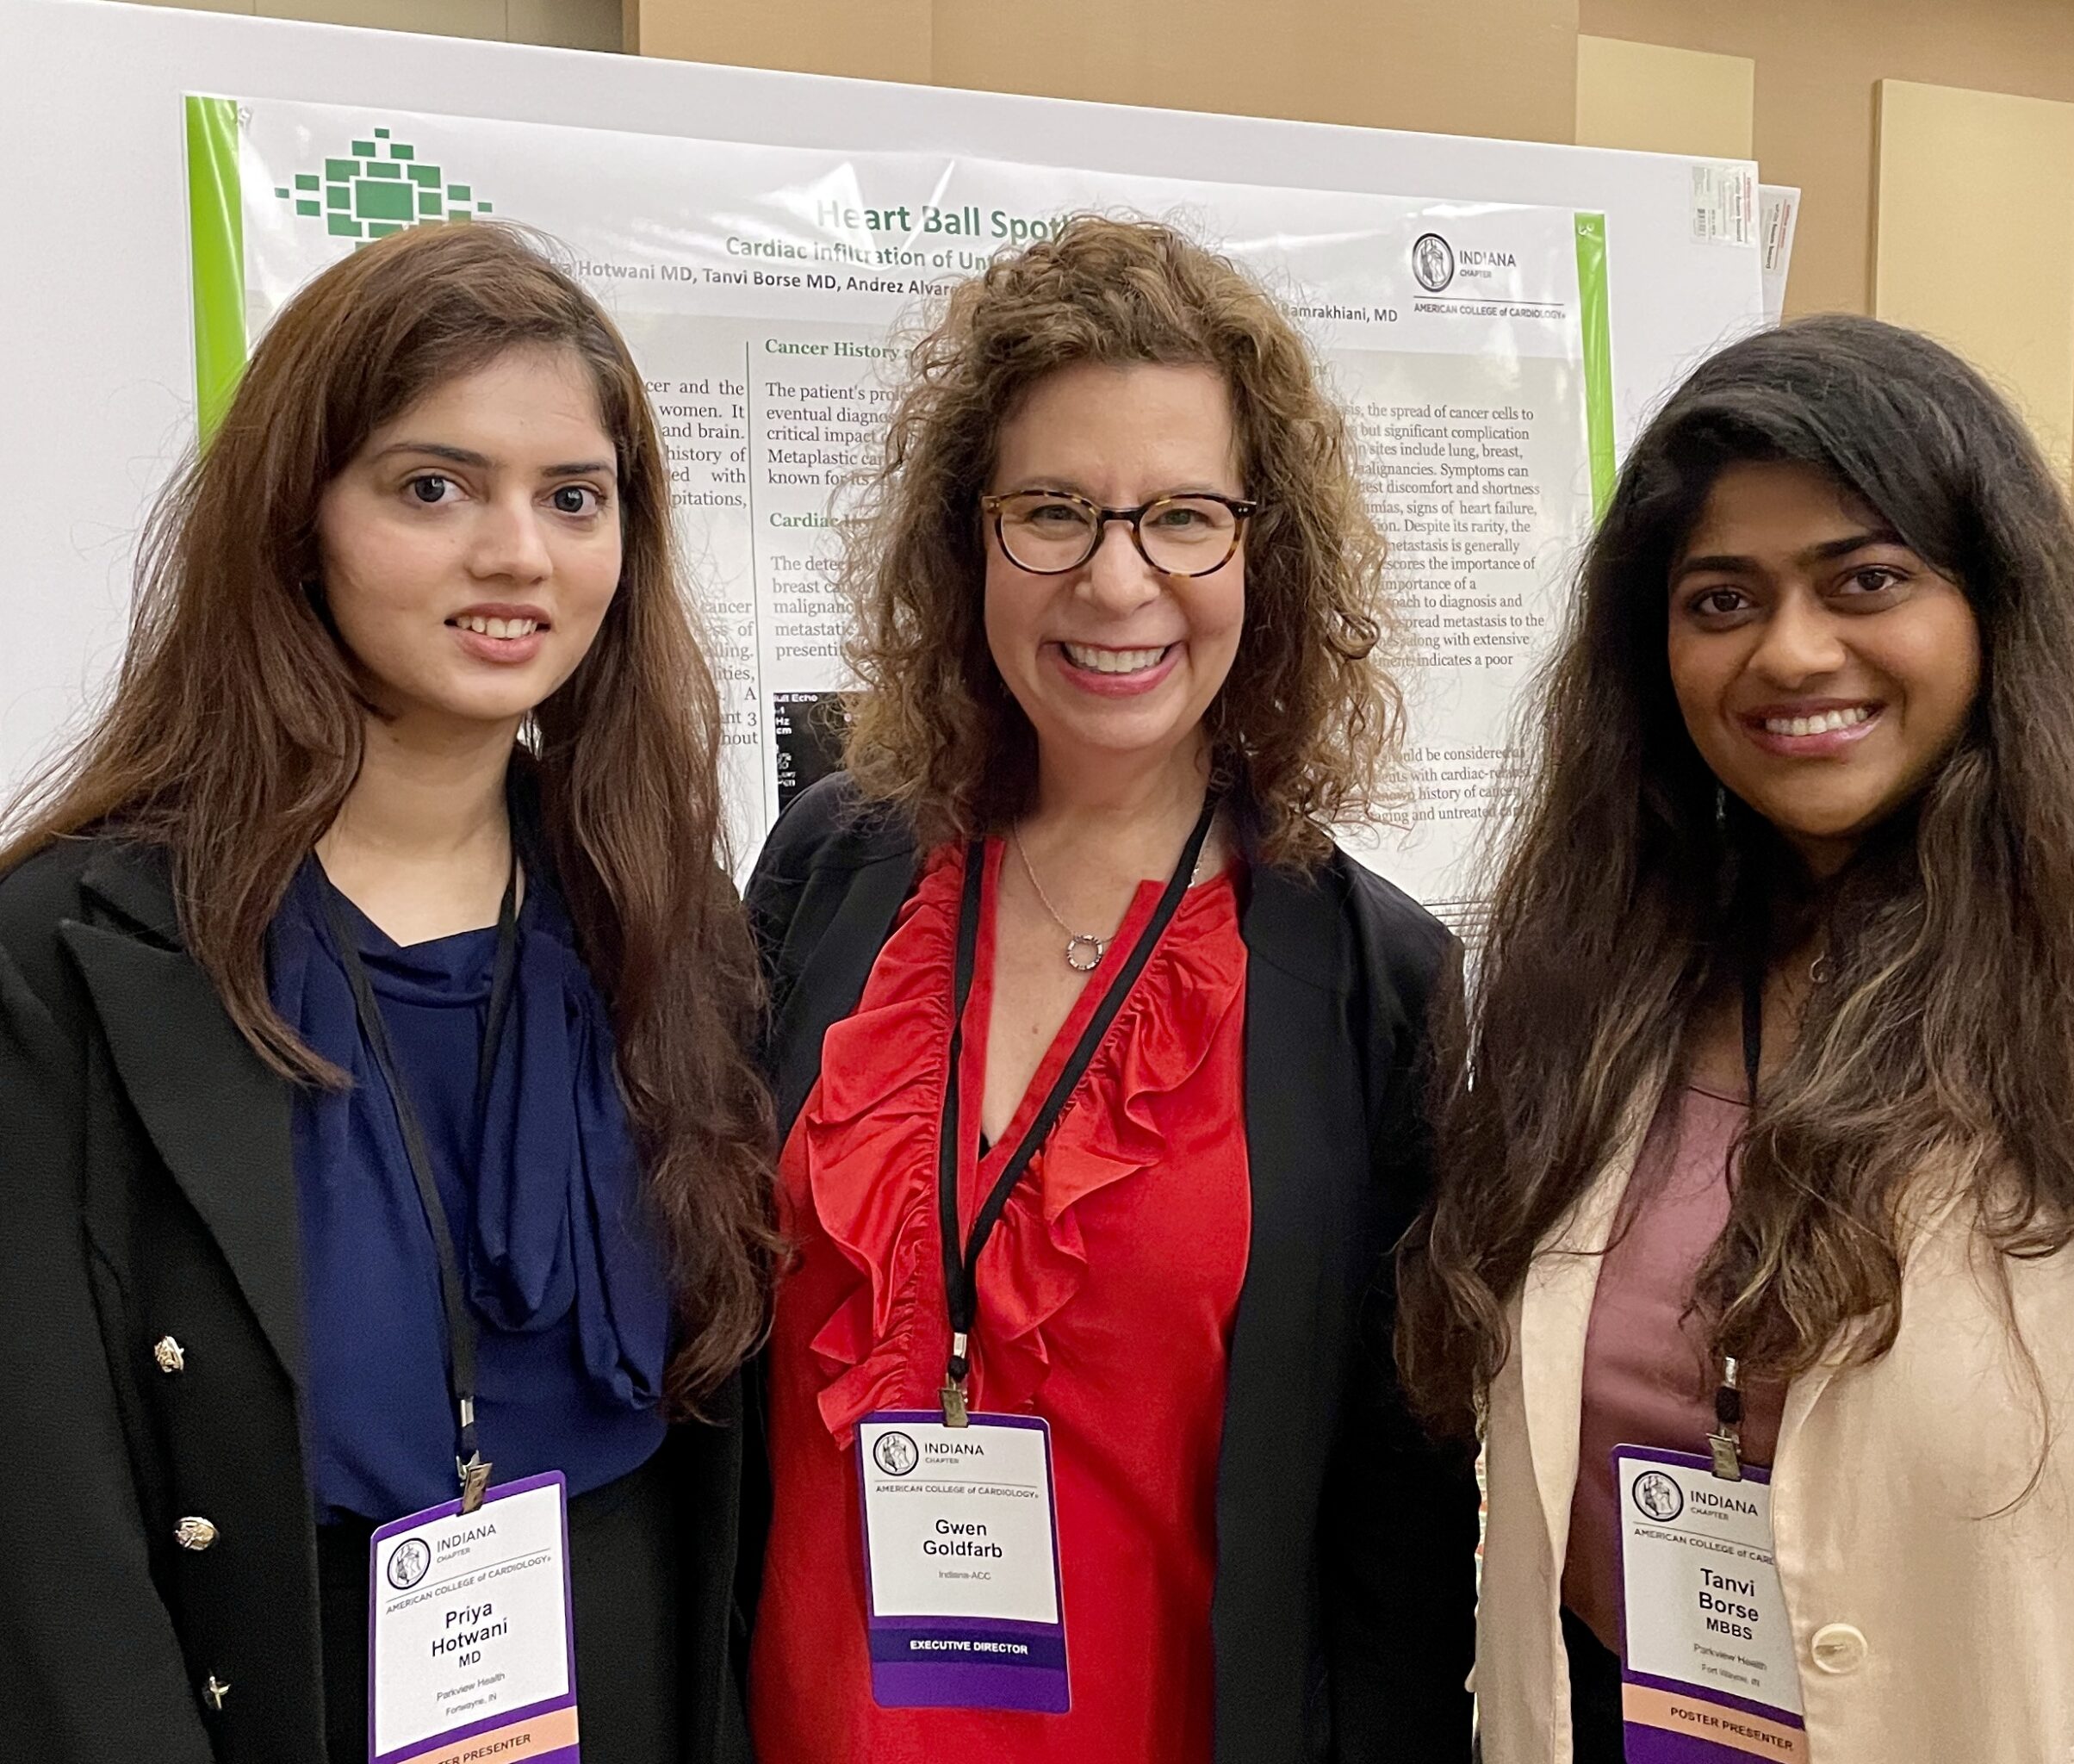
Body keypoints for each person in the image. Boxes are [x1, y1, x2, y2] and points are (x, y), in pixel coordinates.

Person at [0, 223, 778, 1763]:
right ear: (297, 520)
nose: (518, 555)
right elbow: (50, 1554)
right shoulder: (68, 958)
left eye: (574, 497)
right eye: (435, 488)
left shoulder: (665, 921)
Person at [1397, 314, 2074, 1761]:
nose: (1792, 651)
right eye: (1722, 600)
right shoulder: (1601, 962)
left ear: (1993, 602)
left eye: (1867, 580)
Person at [741, 216, 1478, 1764]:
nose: (1117, 578)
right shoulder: (831, 871)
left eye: (1184, 517)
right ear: (972, 540)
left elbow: (1394, 1558)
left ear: (1264, 555)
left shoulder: (1376, 989)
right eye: (1054, 512)